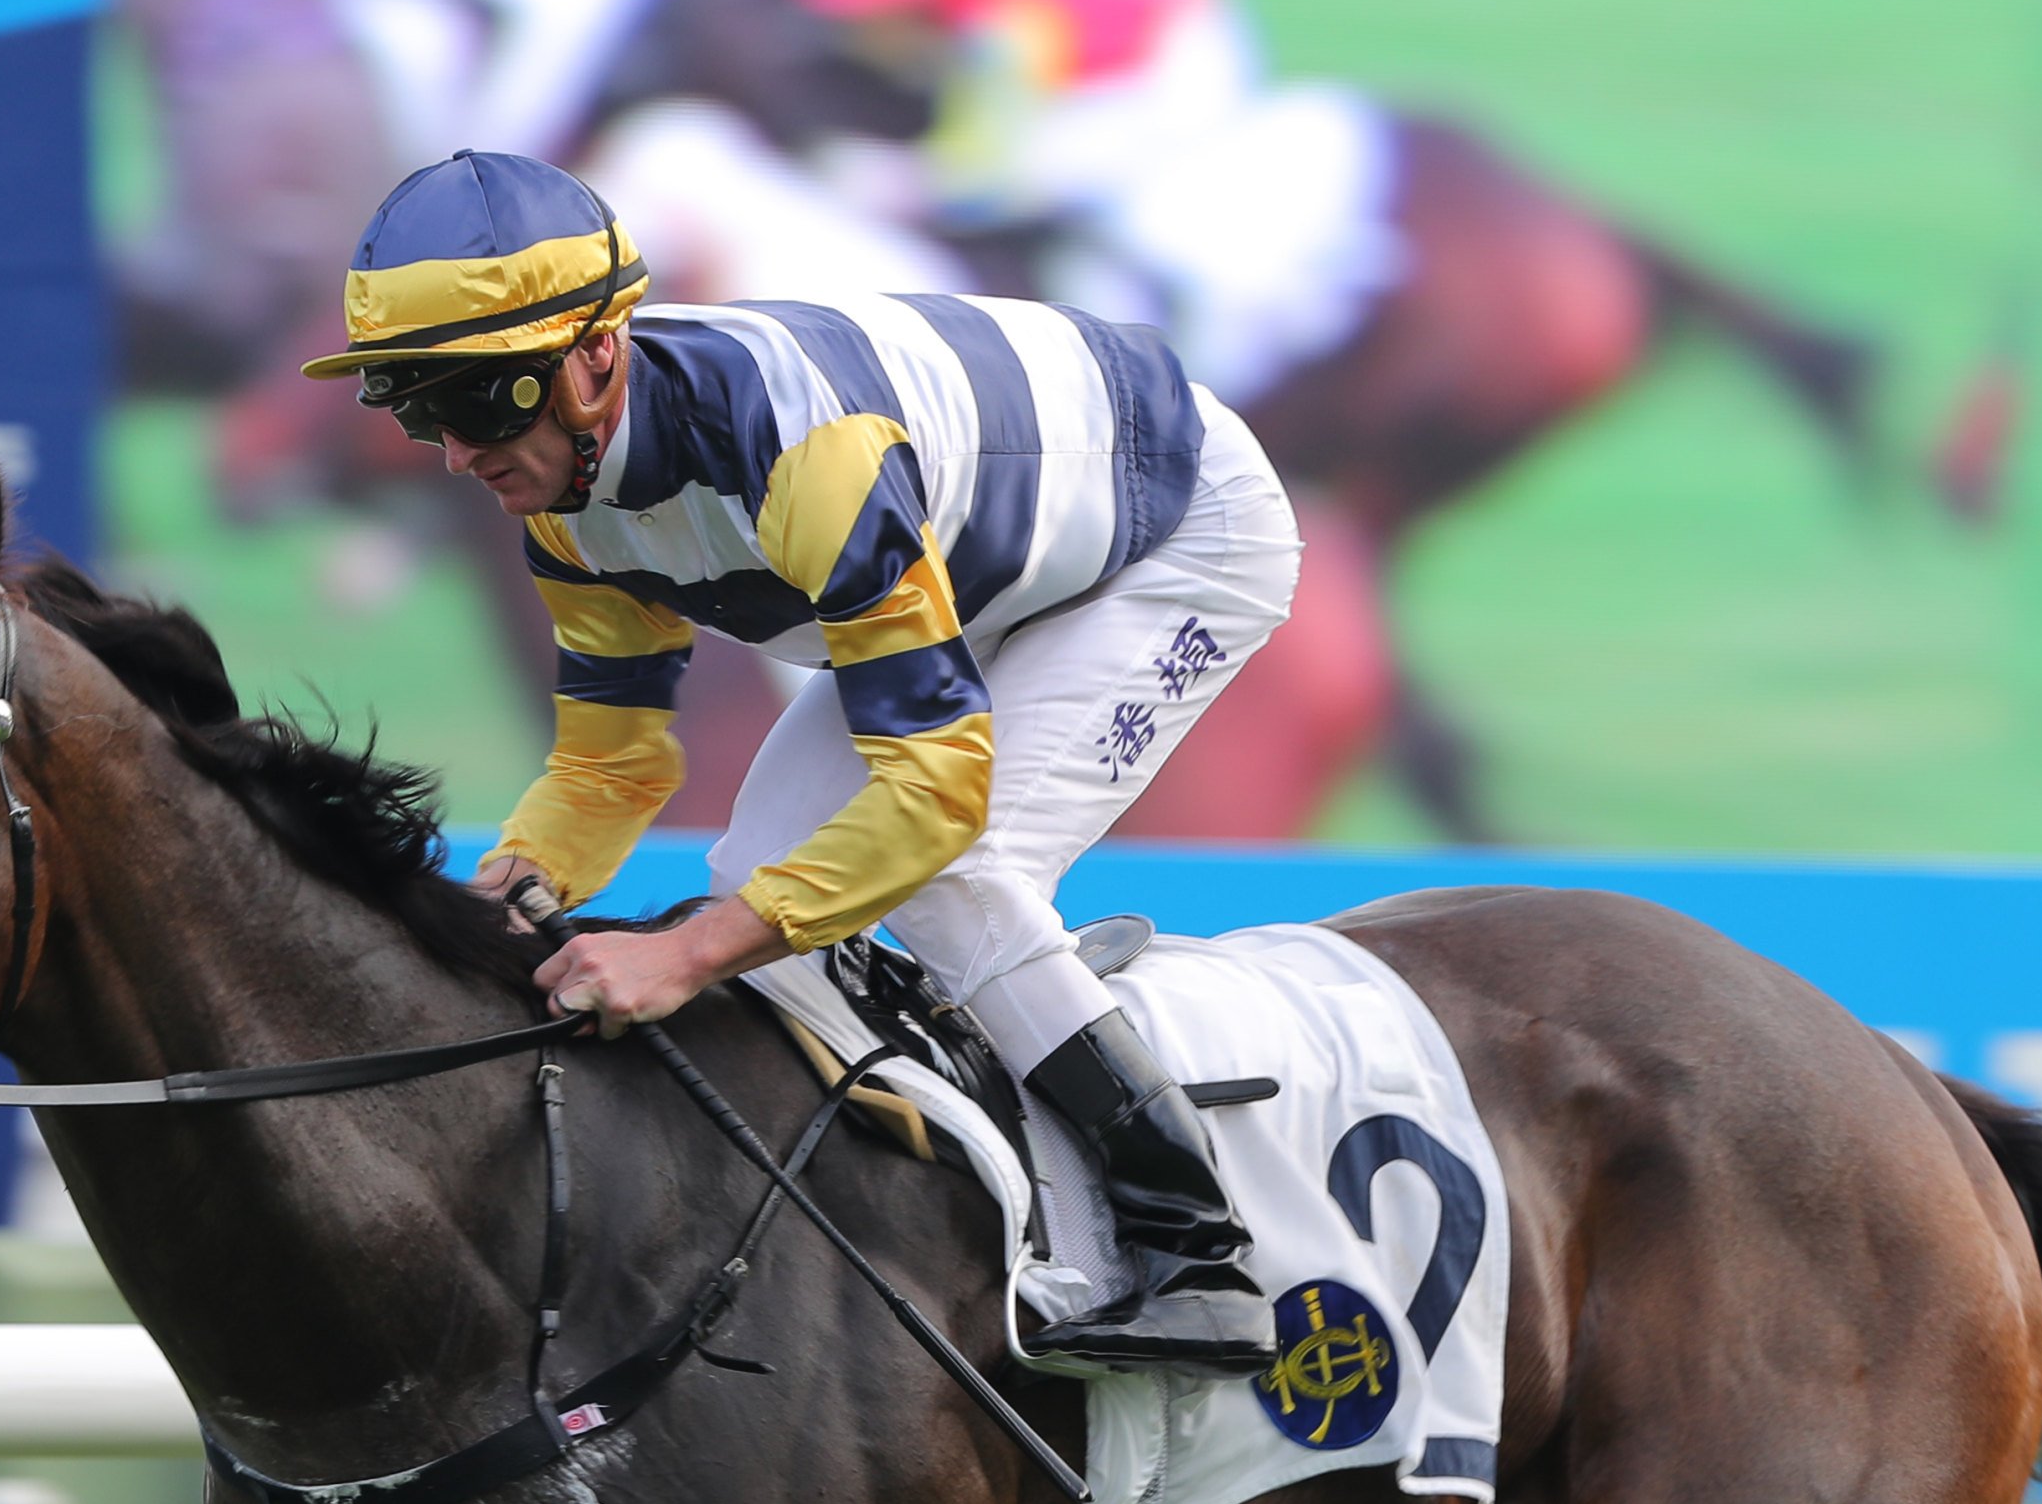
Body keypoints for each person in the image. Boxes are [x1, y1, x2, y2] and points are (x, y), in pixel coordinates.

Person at [303, 147, 1297, 1372]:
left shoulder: (803, 454)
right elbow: (613, 767)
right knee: (767, 866)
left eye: (473, 403)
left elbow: (933, 801)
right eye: (413, 407)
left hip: (1175, 530)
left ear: (595, 355)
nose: (455, 454)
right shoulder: (561, 500)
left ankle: (1201, 1251)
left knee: (951, 870)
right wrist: (505, 891)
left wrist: (684, 953)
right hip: (982, 556)